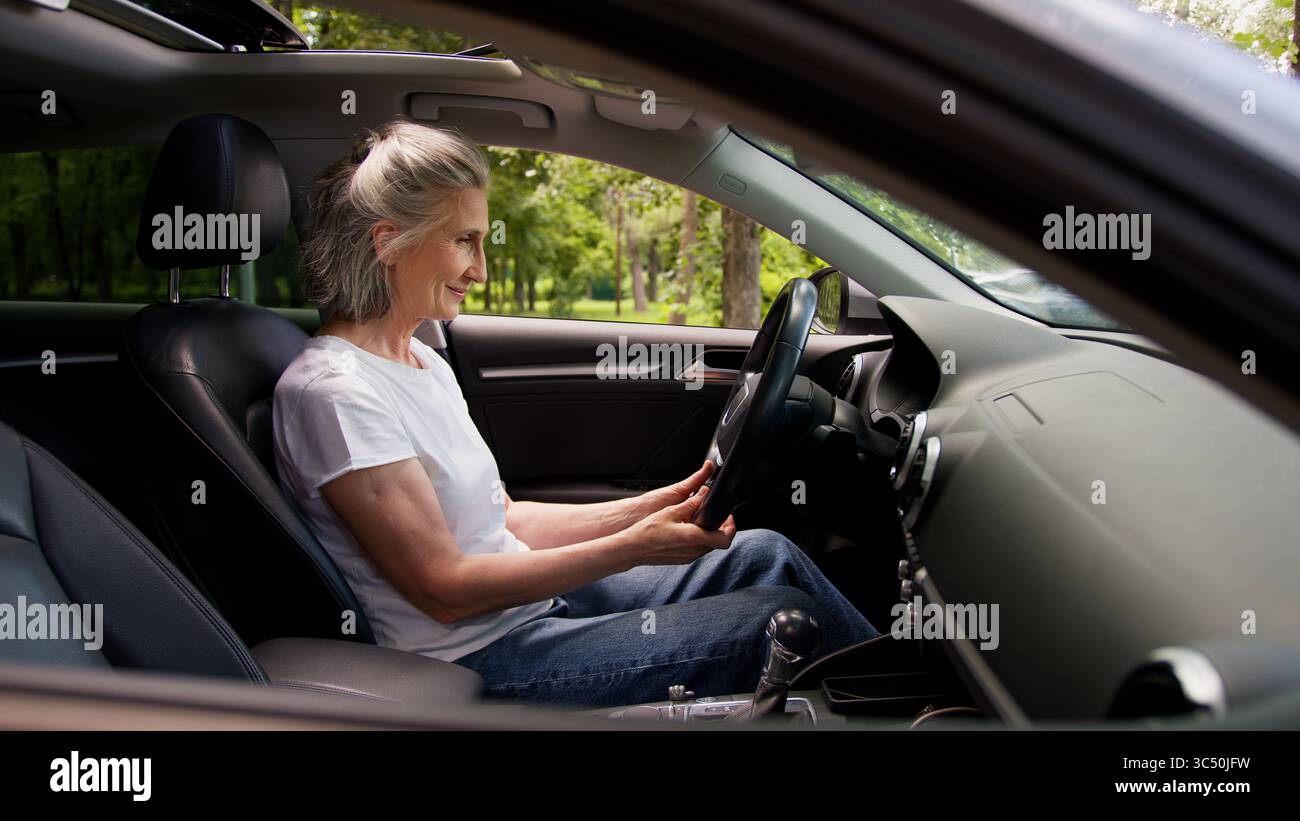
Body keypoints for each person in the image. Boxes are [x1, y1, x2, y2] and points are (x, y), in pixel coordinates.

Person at [272, 120, 877, 707]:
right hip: (476, 659)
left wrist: (657, 505)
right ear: (388, 242)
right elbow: (445, 591)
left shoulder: (422, 363)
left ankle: (920, 696)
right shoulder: (335, 393)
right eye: (464, 241)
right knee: (774, 620)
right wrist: (633, 546)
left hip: (527, 608)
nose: (480, 270)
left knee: (766, 552)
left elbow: (506, 520)